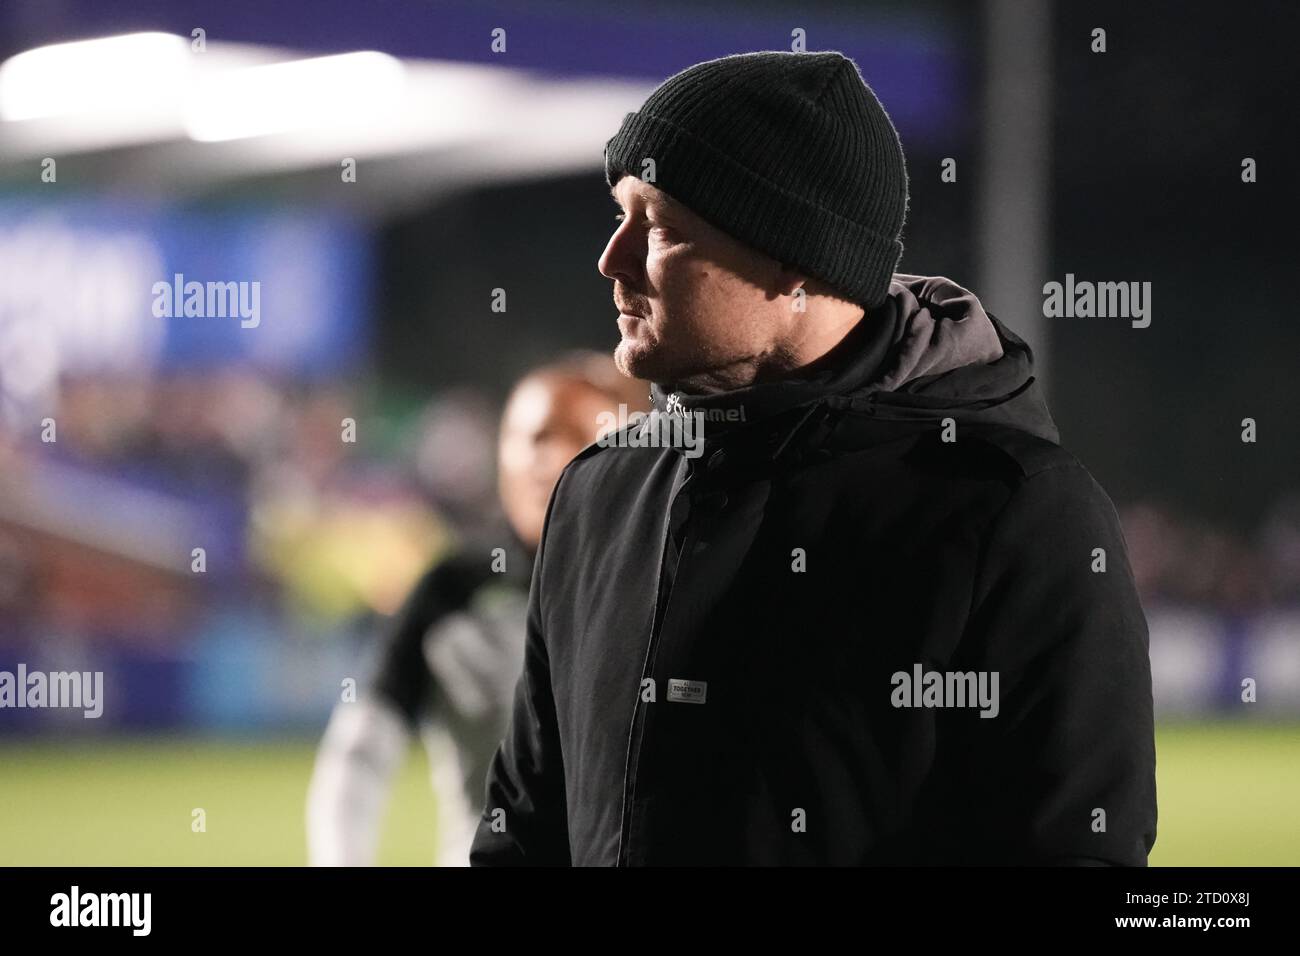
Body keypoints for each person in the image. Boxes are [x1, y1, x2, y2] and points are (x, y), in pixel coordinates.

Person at [470, 50, 1157, 866]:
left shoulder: (1016, 513)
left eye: (658, 228)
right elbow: (524, 830)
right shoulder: (597, 494)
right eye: (617, 216)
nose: (611, 261)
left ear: (794, 257)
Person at [306, 352, 646, 866]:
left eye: (575, 434)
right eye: (531, 438)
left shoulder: (665, 579)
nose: (547, 459)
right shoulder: (451, 587)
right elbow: (358, 757)